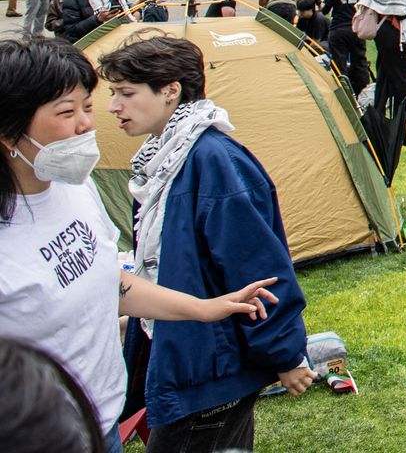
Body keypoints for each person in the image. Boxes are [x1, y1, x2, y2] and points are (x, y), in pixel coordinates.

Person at [1, 38, 290, 453]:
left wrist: (206, 308)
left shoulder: (75, 187)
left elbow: (106, 279)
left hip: (99, 419)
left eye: (88, 106)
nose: (88, 124)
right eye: (67, 112)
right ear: (9, 132)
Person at [100, 33, 316, 451]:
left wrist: (285, 354)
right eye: (112, 94)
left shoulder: (212, 160)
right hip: (189, 352)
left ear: (170, 92)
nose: (113, 106)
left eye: (125, 93)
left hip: (211, 365)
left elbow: (257, 266)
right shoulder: (164, 158)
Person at [357, 0, 406, 178]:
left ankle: (381, 110)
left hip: (384, 36)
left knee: (385, 76)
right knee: (401, 76)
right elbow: (401, 12)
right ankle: (404, 115)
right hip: (393, 36)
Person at [319, 0, 369, 94]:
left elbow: (324, 11)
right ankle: (362, 89)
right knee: (360, 61)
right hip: (357, 31)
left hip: (338, 30)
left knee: (339, 62)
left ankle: (343, 90)